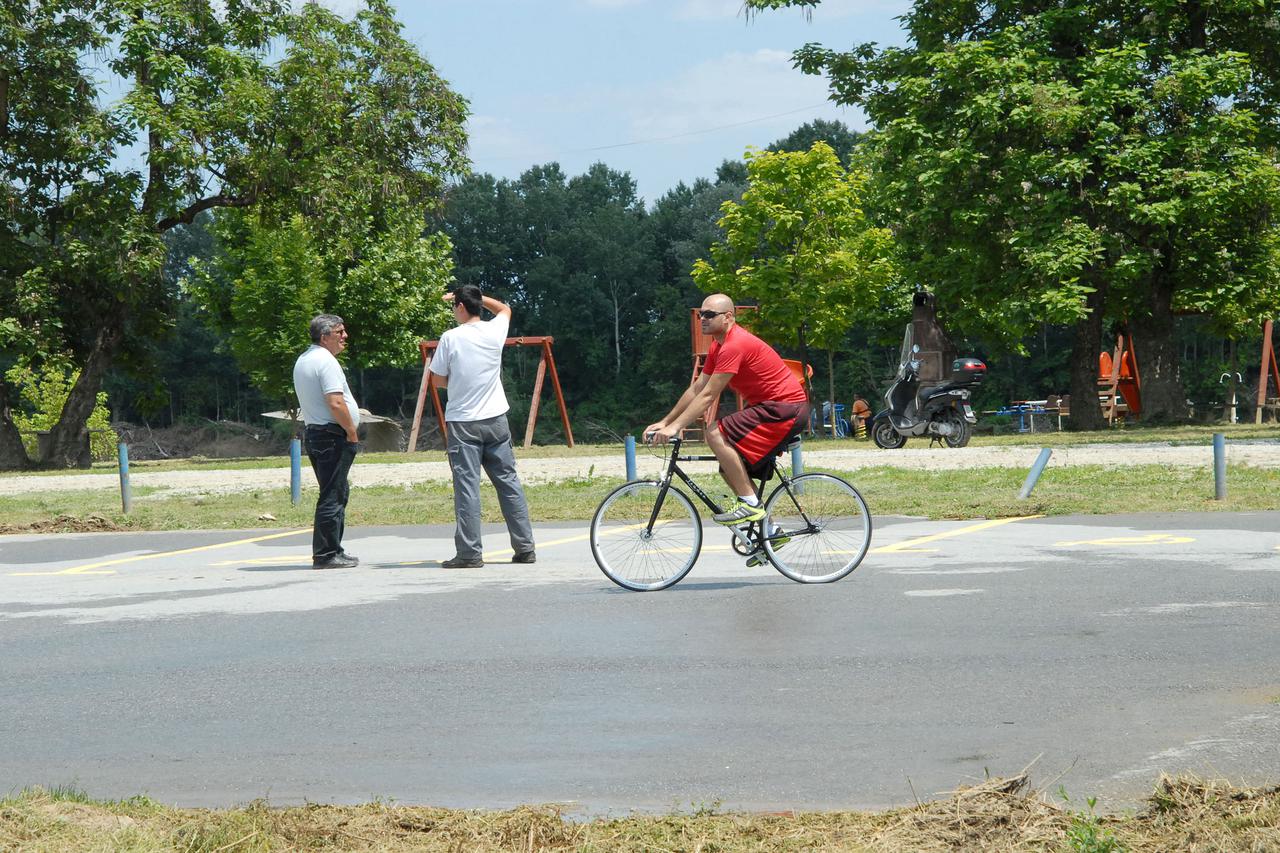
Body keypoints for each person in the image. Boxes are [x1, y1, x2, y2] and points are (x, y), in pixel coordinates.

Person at [644, 293, 807, 526]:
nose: (703, 319)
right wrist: (666, 421)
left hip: (784, 408)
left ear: (728, 317)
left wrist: (676, 428)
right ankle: (769, 531)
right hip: (770, 407)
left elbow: (709, 395)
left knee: (714, 432)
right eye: (701, 314)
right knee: (728, 469)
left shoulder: (734, 344)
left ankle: (750, 504)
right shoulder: (716, 347)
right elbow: (697, 387)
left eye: (709, 314)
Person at [429, 285, 536, 568]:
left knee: (467, 487)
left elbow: (437, 381)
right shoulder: (494, 331)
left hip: (463, 422)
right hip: (496, 418)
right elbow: (504, 309)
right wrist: (476, 298)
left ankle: (469, 553)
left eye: (454, 306)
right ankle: (525, 548)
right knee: (508, 483)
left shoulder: (450, 338)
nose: (453, 311)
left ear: (461, 307)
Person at [293, 314, 361, 569]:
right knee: (332, 494)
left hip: (317, 432)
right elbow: (335, 402)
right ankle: (325, 554)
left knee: (336, 491)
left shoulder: (305, 359)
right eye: (339, 332)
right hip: (332, 435)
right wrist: (351, 429)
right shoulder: (326, 361)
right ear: (325, 337)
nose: (345, 336)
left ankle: (334, 549)